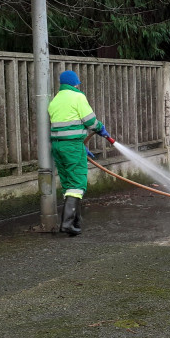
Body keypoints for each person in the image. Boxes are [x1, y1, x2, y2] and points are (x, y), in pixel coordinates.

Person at [47, 70, 111, 235]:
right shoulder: (77, 97)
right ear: (74, 83)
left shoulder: (55, 100)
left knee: (69, 184)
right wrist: (101, 129)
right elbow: (90, 121)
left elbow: (63, 127)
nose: (77, 86)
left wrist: (80, 145)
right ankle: (67, 224)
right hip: (72, 147)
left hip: (58, 147)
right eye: (77, 84)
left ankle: (75, 222)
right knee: (77, 183)